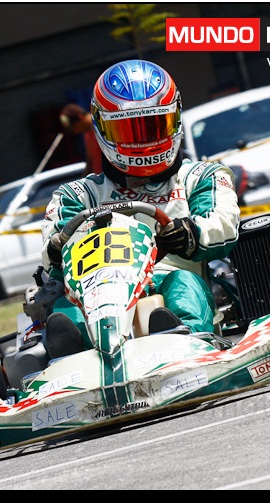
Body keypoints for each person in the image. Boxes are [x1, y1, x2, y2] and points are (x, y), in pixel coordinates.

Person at [41, 59, 241, 358]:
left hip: (172, 274)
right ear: (102, 128)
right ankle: (73, 353)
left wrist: (191, 232)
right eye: (128, 130)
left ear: (174, 119)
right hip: (97, 290)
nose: (143, 141)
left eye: (153, 126)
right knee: (66, 308)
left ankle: (185, 340)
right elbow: (51, 252)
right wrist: (58, 248)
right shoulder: (78, 195)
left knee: (183, 285)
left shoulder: (200, 177)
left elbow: (224, 224)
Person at [59, 102, 104, 175]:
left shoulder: (103, 126)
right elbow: (90, 160)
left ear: (80, 117)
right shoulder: (87, 133)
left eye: (76, 127)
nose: (76, 132)